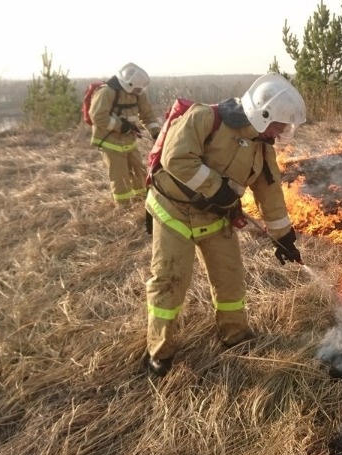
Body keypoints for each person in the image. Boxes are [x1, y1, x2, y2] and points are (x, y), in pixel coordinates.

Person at [142, 73, 306, 376]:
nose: (283, 131)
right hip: (173, 211)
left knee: (230, 280)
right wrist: (218, 189)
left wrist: (284, 237)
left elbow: (269, 192)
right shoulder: (204, 118)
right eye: (280, 124)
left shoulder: (262, 146)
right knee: (170, 281)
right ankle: (159, 350)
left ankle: (235, 337)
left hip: (216, 217)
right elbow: (176, 158)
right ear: (262, 114)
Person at [88, 62, 162, 205]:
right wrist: (120, 126)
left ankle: (142, 200)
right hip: (109, 141)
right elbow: (97, 116)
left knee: (139, 171)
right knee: (120, 176)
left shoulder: (138, 94)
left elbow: (148, 115)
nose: (139, 91)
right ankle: (124, 206)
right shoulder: (106, 92)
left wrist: (156, 132)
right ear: (128, 84)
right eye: (137, 88)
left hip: (129, 140)